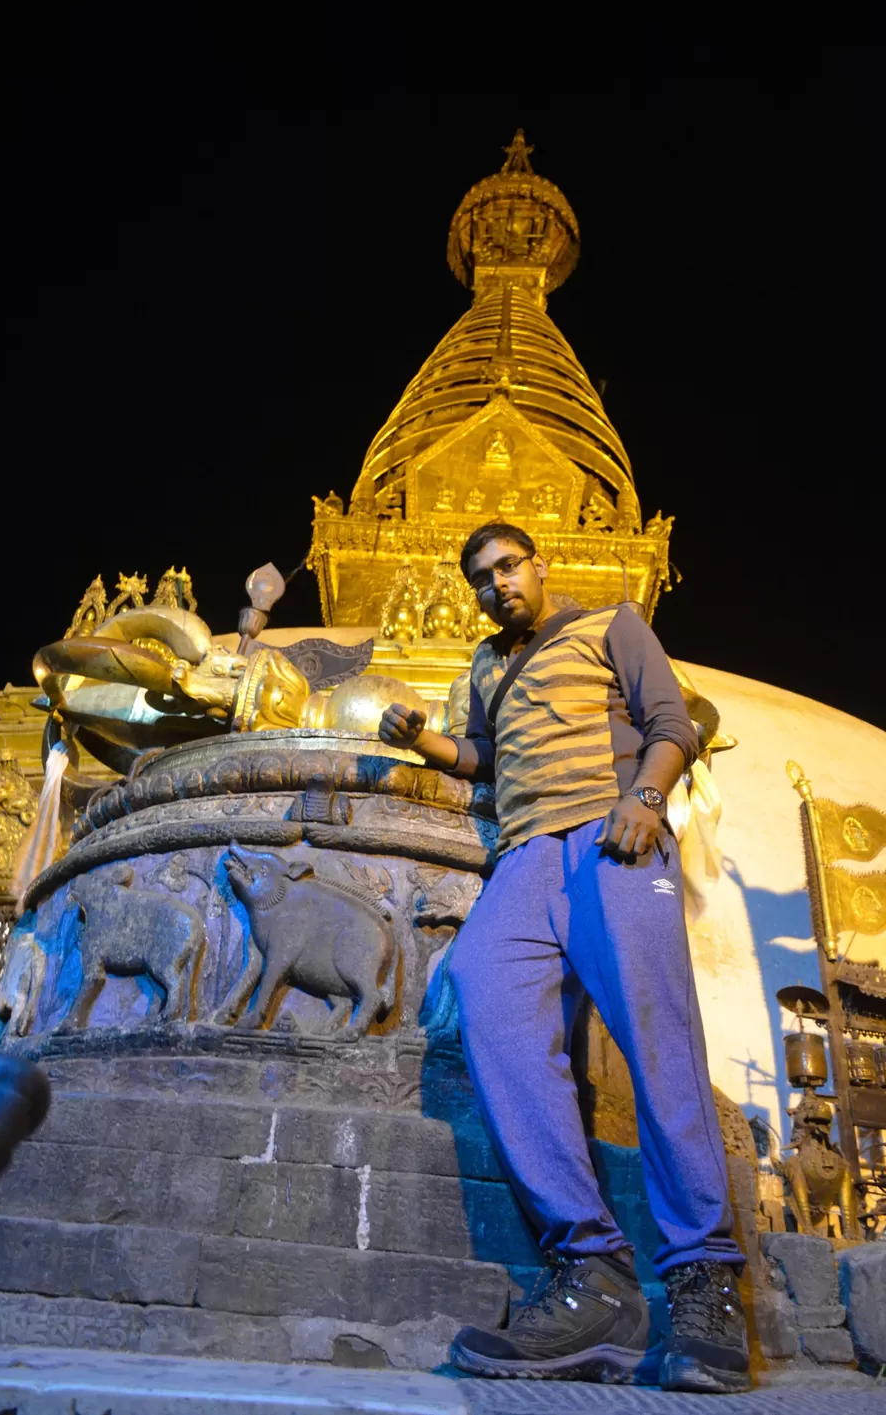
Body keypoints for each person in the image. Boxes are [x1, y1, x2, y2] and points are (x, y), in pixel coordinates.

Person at [379, 522, 749, 1394]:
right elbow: (484, 759)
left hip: (611, 836)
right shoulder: (484, 664)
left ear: (540, 567)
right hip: (526, 855)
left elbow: (670, 723)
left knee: (657, 1036)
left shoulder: (613, 622)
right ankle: (594, 1277)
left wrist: (646, 796)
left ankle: (703, 1279)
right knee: (483, 991)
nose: (495, 584)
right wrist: (423, 739)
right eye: (480, 576)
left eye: (508, 567)